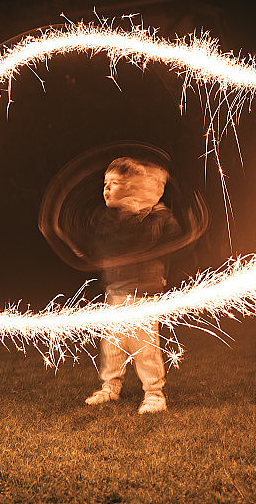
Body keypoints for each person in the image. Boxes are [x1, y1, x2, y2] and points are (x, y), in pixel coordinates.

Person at [83, 157, 182, 414]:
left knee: (144, 347)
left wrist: (147, 207)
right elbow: (103, 244)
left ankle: (154, 394)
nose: (106, 188)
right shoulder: (109, 219)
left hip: (143, 293)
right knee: (112, 346)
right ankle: (110, 386)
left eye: (114, 183)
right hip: (115, 291)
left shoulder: (156, 217)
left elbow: (169, 239)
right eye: (105, 183)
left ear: (133, 187)